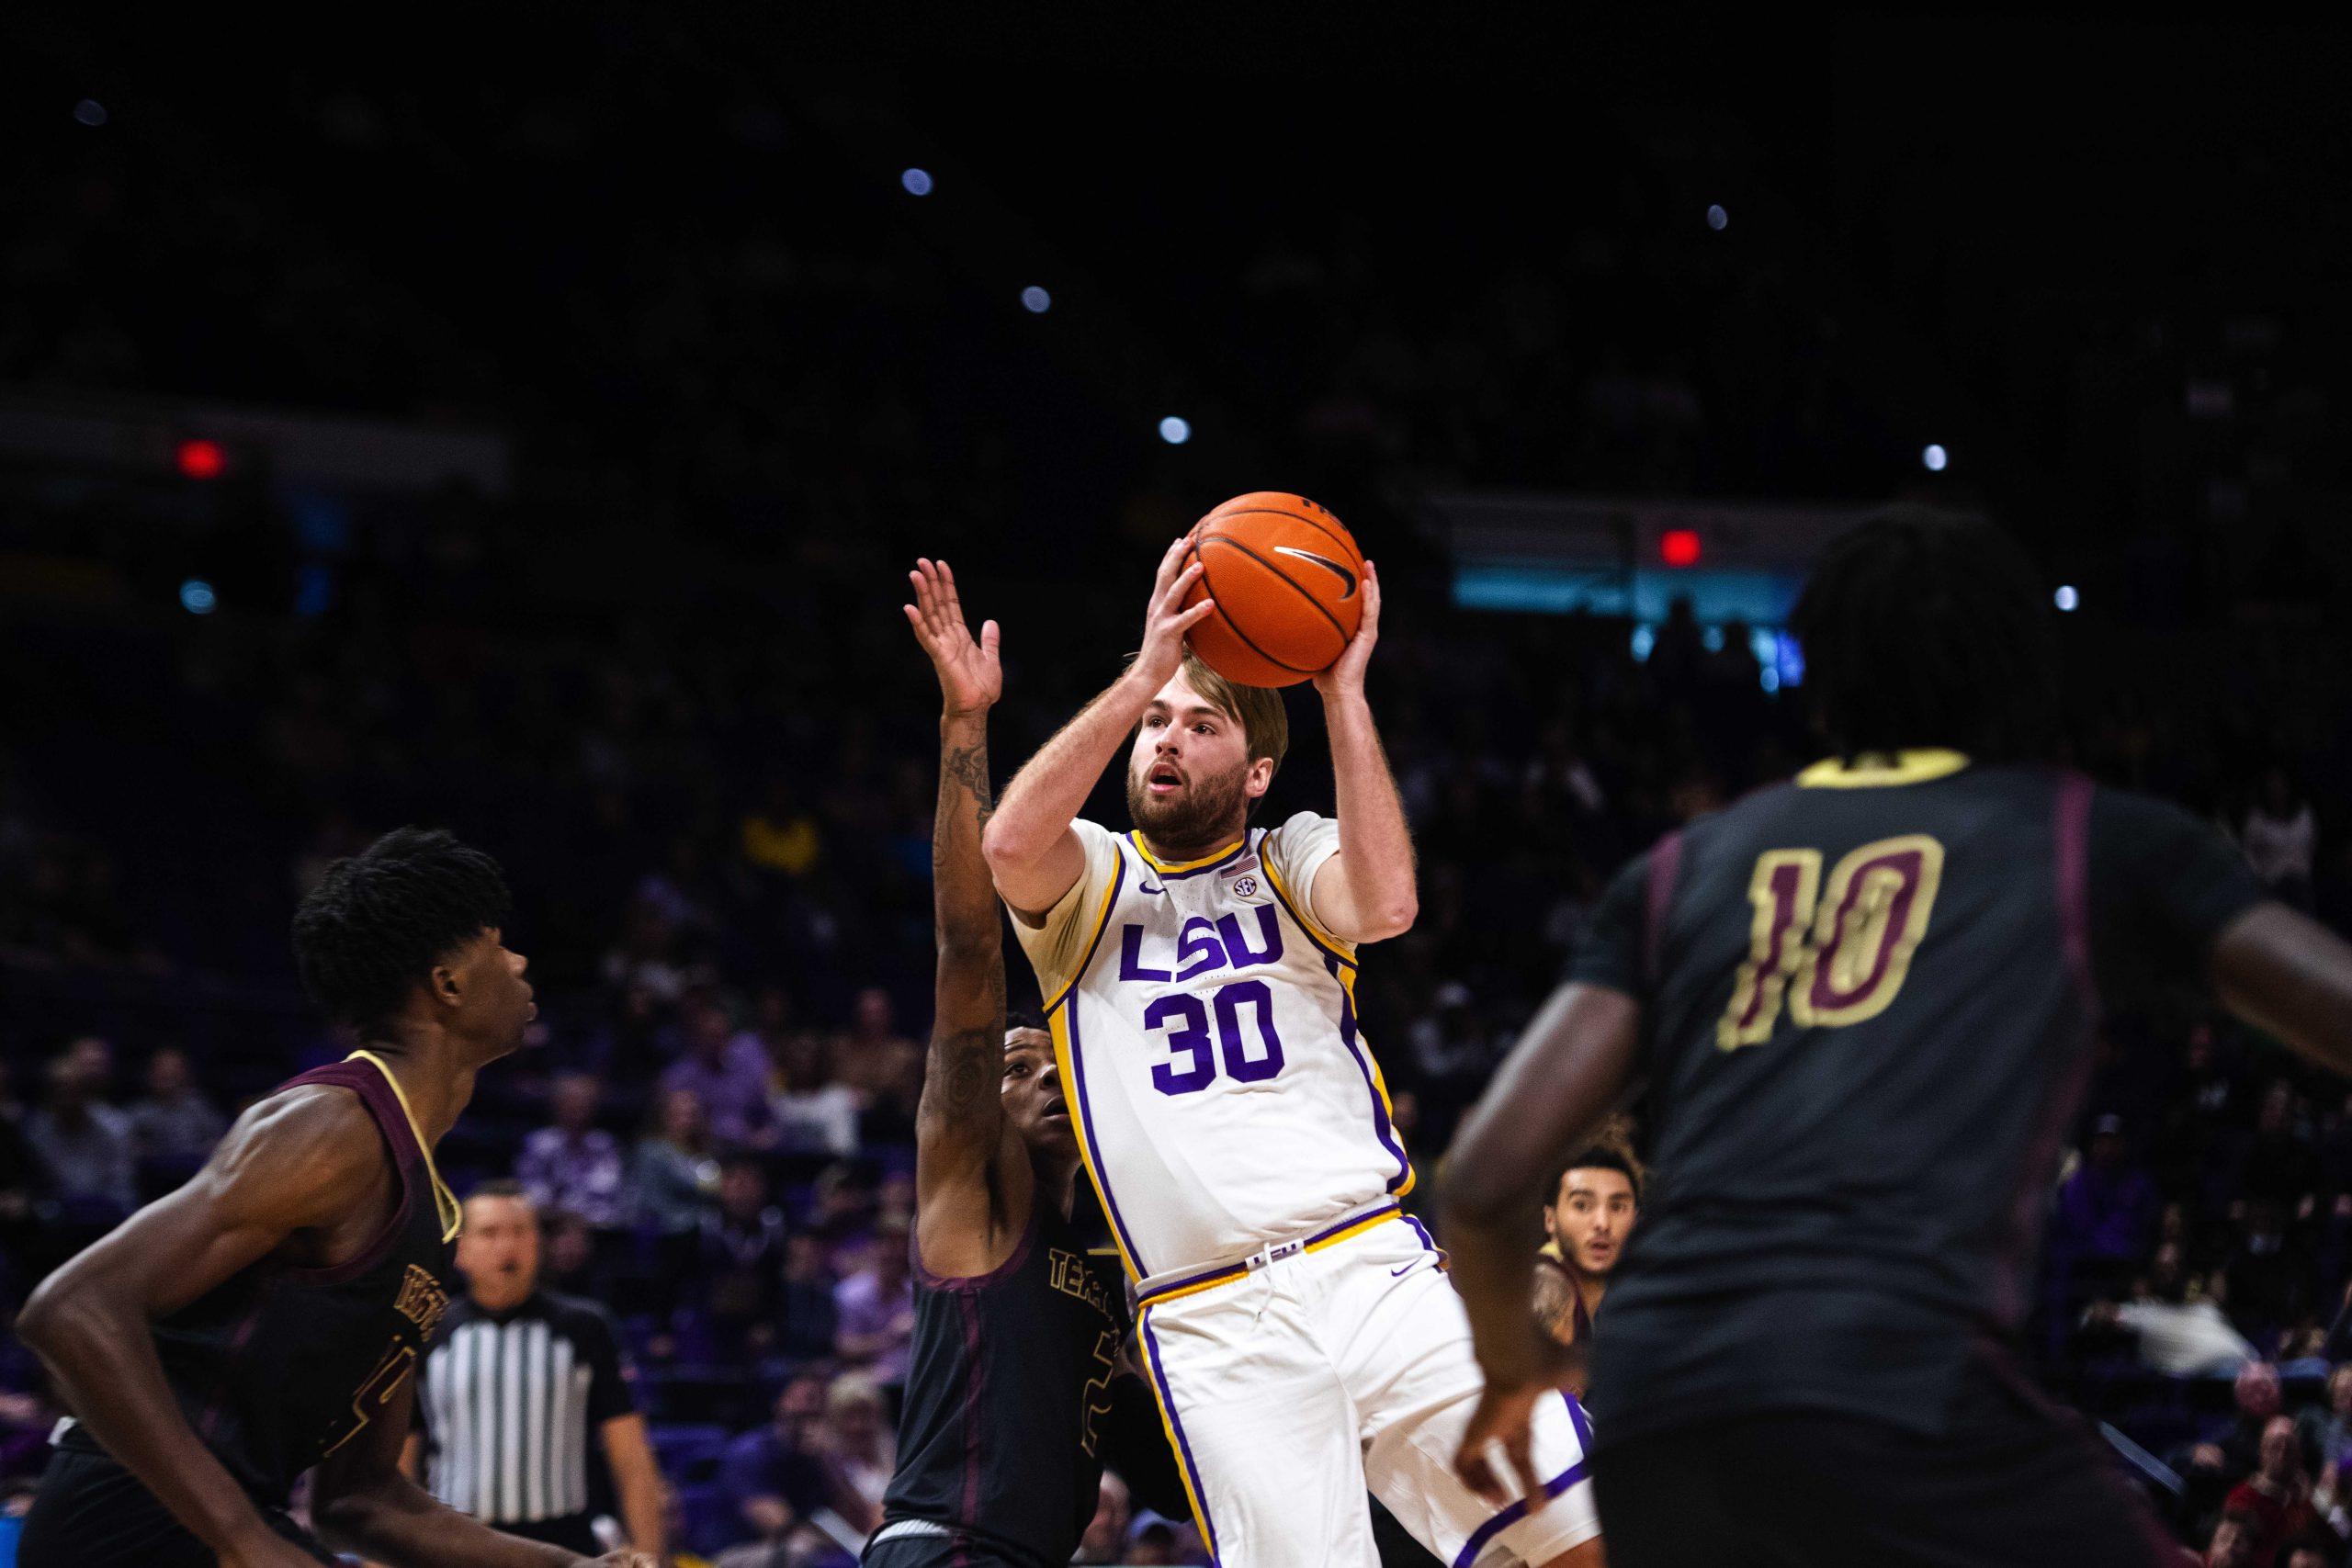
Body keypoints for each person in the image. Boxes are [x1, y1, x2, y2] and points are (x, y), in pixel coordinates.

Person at [1442, 508, 2352, 1567]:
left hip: (1660, 1414)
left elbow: (1480, 1184)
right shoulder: (2085, 834)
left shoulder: (1682, 870)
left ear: (1821, 683)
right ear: (2025, 675)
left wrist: (1514, 1370)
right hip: (1896, 1387)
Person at [983, 540, 1599, 1565]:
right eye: (1154, 725)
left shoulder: (1291, 852)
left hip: (1368, 1265)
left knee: (1580, 1534)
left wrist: (1342, 693)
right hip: (1210, 1317)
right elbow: (1005, 846)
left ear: (1257, 770)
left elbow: (1388, 902)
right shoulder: (1090, 880)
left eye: (1200, 723)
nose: (1164, 741)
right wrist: (1143, 672)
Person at [15, 826, 653, 1567]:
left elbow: (360, 1499)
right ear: (447, 982)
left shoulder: (431, 1210)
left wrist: (571, 1565)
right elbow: (70, 1309)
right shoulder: (337, 1125)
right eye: (498, 943)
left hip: (217, 1524)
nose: (519, 961)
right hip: (125, 1521)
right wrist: (246, 1538)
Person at [864, 558, 1188, 1567]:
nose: (1044, 1077)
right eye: (1015, 1066)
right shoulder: (972, 1185)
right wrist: (967, 725)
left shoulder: (1101, 1254)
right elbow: (968, 951)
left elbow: (1174, 1489)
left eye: (1058, 1065)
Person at [404, 1182, 666, 1559]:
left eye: (520, 1231)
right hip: (455, 1546)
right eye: (490, 1233)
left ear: (538, 1245)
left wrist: (649, 1556)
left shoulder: (584, 1327)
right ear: (460, 1249)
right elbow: (399, 1462)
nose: (507, 1246)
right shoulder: (429, 1330)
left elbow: (631, 1458)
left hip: (562, 1545)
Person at [1533, 1134, 1642, 1366]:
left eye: (1618, 1207)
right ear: (1550, 1219)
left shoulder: (1619, 1306)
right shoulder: (1549, 1282)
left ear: (1636, 1220)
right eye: (1582, 1205)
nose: (1602, 1223)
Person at [514, 1073, 625, 1229]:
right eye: (571, 1101)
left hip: (597, 1232)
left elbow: (609, 1197)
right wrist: (567, 1217)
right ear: (556, 1105)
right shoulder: (539, 1143)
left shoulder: (604, 1145)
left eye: (584, 1102)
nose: (577, 1109)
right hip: (549, 1230)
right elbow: (532, 1199)